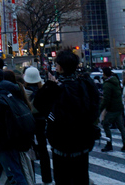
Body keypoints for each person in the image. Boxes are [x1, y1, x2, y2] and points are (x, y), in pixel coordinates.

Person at [34, 49, 100, 185]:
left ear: (60, 68)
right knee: (81, 177)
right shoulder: (85, 85)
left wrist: (52, 118)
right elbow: (95, 108)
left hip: (61, 142)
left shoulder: (56, 88)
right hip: (83, 141)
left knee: (62, 178)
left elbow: (39, 104)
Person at [0, 67, 30, 185]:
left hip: (3, 141)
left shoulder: (0, 94)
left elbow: (0, 112)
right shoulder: (9, 91)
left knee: (15, 175)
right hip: (4, 141)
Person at [23, 66, 52, 184]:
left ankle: (31, 178)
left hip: (28, 121)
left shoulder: (24, 92)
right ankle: (47, 178)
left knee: (29, 150)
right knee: (43, 149)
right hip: (41, 121)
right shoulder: (44, 91)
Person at [100, 67, 125, 152]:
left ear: (104, 74)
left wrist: (100, 109)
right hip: (119, 106)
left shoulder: (107, 84)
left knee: (105, 124)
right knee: (121, 126)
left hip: (112, 108)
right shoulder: (115, 81)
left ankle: (109, 144)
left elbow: (106, 99)